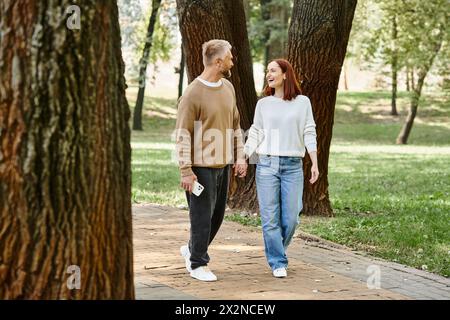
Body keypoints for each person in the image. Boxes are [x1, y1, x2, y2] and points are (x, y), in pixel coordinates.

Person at [174, 39, 248, 282]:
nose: (232, 61)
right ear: (218, 62)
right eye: (229, 57)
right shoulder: (192, 93)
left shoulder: (227, 87)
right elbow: (183, 134)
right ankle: (197, 263)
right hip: (200, 167)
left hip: (223, 164)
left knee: (216, 216)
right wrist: (186, 170)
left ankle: (192, 248)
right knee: (202, 216)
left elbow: (235, 125)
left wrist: (240, 155)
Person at [244, 59, 319, 278]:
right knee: (270, 218)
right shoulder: (264, 104)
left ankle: (276, 250)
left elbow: (309, 131)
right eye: (267, 71)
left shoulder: (303, 102)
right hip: (266, 164)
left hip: (293, 166)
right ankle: (278, 261)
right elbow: (256, 131)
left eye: (273, 70)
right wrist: (244, 155)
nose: (269, 74)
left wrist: (314, 161)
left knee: (292, 217)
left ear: (285, 74)